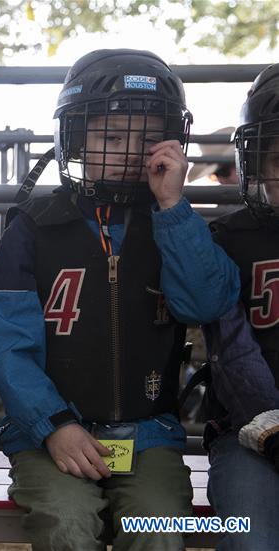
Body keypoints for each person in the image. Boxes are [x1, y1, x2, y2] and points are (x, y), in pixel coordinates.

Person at [0, 49, 240, 550]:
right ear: (76, 139)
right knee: (65, 522)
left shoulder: (175, 223)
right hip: (48, 433)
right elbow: (8, 346)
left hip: (148, 435)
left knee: (160, 527)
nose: (129, 152)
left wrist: (171, 206)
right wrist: (53, 425)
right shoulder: (34, 229)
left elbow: (205, 303)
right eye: (112, 136)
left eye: (147, 139)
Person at [204, 63, 279, 550]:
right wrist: (271, 426)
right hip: (248, 433)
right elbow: (231, 348)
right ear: (257, 164)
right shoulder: (230, 238)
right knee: (248, 536)